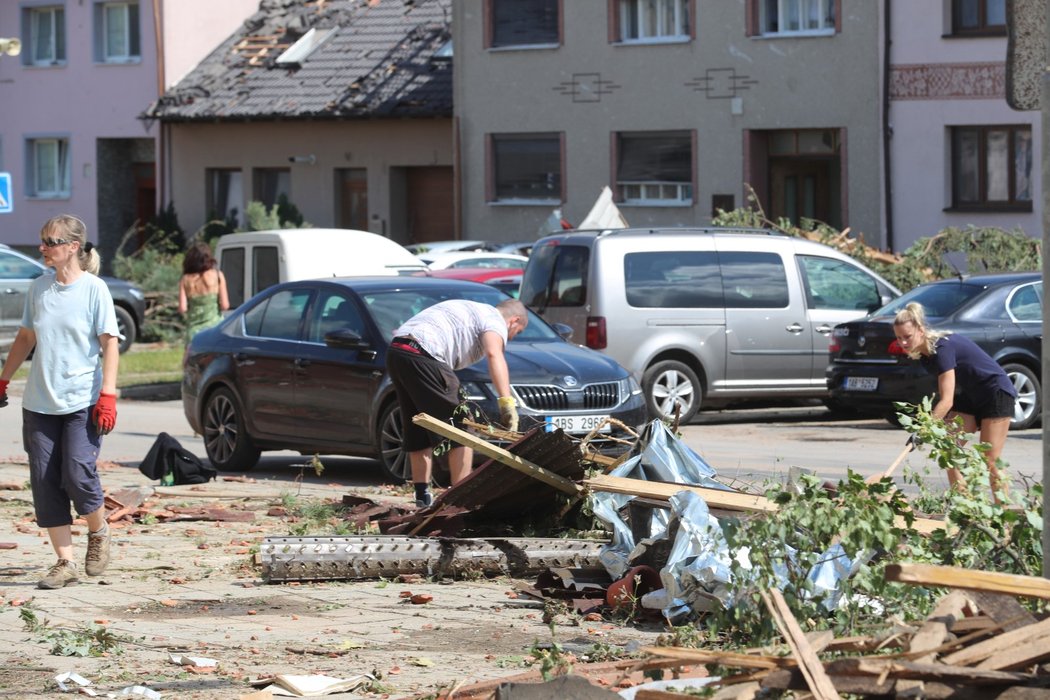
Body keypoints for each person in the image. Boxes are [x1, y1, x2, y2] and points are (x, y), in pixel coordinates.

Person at [0, 215, 121, 589]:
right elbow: (25, 338)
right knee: (45, 480)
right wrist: (4, 378)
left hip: (82, 401)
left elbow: (110, 343)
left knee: (78, 472)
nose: (43, 248)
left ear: (73, 247)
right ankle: (64, 562)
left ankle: (98, 532)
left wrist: (108, 396)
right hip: (39, 402)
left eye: (50, 242)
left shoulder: (94, 289)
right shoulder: (39, 288)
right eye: (42, 241)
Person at [387, 298, 528, 507]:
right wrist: (506, 402)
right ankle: (462, 500)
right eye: (518, 331)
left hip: (398, 351)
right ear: (514, 321)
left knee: (418, 424)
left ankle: (422, 497)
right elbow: (493, 354)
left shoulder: (474, 310)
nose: (513, 337)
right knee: (462, 425)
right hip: (425, 352)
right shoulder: (495, 319)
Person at [893, 302, 1017, 496]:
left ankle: (1004, 520)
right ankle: (963, 509)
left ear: (921, 330)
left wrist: (923, 430)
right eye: (899, 338)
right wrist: (932, 428)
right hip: (971, 395)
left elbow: (947, 401)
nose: (904, 343)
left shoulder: (942, 349)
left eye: (907, 336)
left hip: (996, 392)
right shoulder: (926, 356)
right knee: (949, 451)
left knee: (990, 460)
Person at [178, 240, 229, 345]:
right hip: (215, 329)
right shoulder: (218, 275)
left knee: (191, 359)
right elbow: (225, 305)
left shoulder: (185, 279)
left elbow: (182, 308)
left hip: (194, 331)